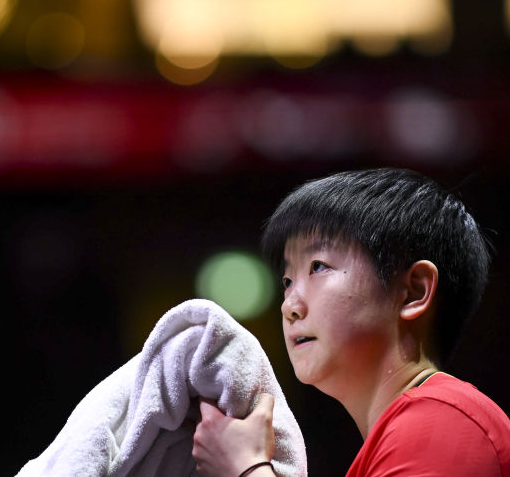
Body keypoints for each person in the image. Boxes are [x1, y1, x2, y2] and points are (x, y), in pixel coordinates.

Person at [191, 168, 510, 476]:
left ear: (413, 292)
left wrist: (245, 467)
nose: (290, 306)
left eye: (318, 266)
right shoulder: (408, 435)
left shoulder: (444, 421)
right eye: (288, 281)